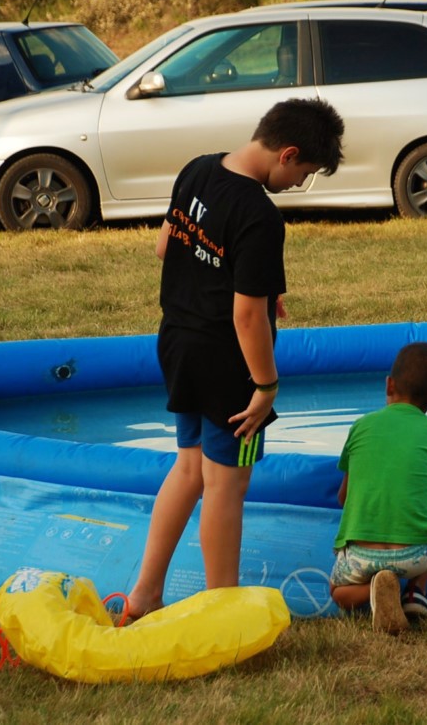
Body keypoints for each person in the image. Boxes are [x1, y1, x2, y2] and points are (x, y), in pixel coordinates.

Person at [125, 98, 345, 620]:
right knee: (228, 485)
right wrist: (265, 387)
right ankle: (220, 612)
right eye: (304, 173)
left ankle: (144, 595)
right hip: (229, 367)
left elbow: (166, 248)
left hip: (178, 343)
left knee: (188, 470)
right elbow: (247, 319)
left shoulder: (198, 168)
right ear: (287, 154)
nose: (297, 184)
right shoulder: (259, 215)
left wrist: (258, 287)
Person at [329, 342, 427, 634]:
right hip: (416, 553)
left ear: (388, 384)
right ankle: (416, 591)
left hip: (360, 554)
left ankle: (374, 588)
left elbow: (344, 497)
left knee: (337, 591)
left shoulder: (361, 426)